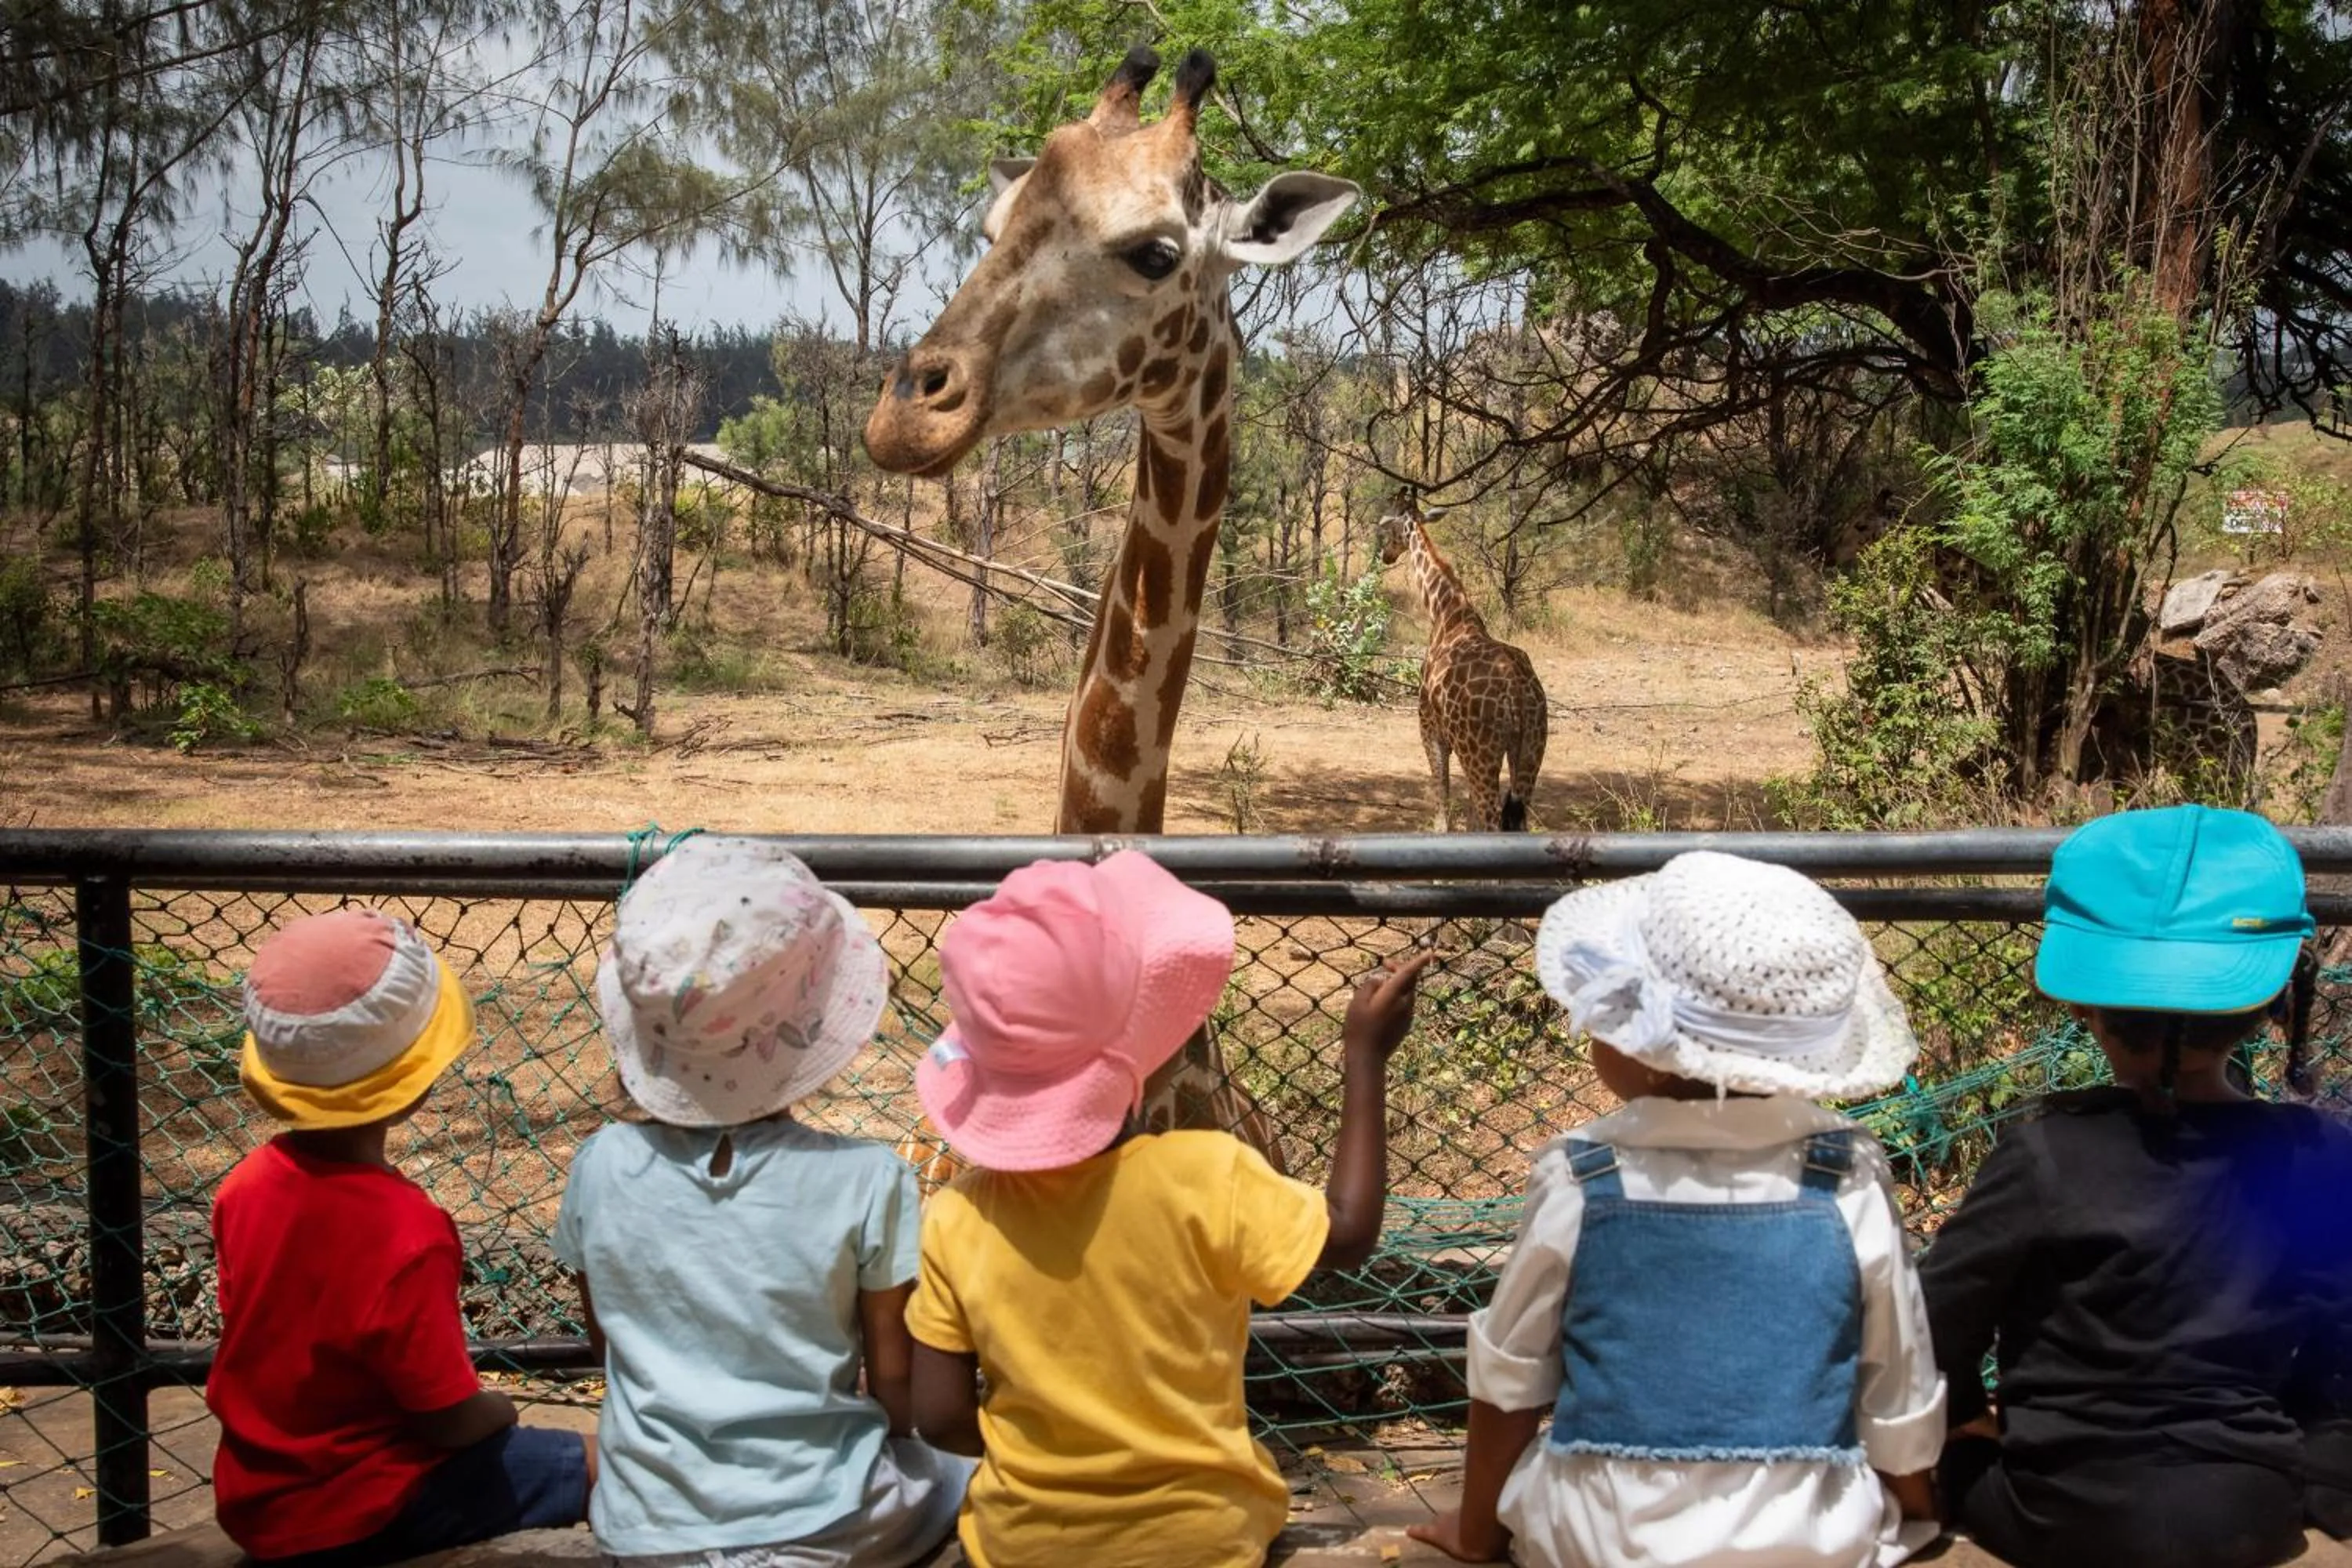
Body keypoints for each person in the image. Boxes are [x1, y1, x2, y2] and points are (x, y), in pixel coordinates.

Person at [1412, 850, 1945, 1568]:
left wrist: (1475, 1534)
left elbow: (1511, 1377)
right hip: (1811, 1541)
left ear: (1656, 1052)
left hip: (1599, 1541)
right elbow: (1897, 1372)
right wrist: (1909, 1512)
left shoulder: (1581, 1175)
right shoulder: (1847, 1173)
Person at [903, 851, 1433, 1568]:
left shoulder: (958, 1218)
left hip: (1022, 1546)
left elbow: (938, 1417)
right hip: (1206, 1541)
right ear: (1142, 1042)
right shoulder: (1206, 1175)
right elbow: (1348, 1233)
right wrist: (1364, 1058)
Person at [1921, 804, 2352, 1568]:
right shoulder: (2320, 1155)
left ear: (2088, 1006)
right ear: (2270, 1006)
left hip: (2055, 1517)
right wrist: (2322, 1480)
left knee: (1949, 1461)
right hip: (2252, 1513)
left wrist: (1968, 1418)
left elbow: (1932, 1326)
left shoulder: (2042, 1156)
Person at [555, 836, 970, 1568]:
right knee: (964, 1474)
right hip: (830, 1521)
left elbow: (606, 1344)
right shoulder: (869, 1180)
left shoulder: (598, 1165)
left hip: (648, 1526)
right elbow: (896, 1379)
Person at [209, 907, 591, 1567]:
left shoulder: (243, 1187)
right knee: (598, 1462)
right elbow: (445, 1418)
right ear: (415, 1076)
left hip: (261, 1494)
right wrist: (499, 1409)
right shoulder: (406, 1232)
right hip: (367, 1503)